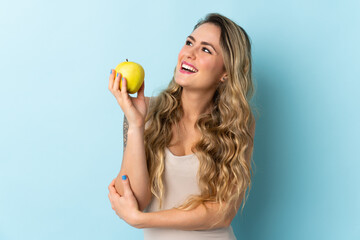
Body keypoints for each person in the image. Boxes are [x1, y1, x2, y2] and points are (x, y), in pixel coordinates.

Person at [107, 12, 256, 240]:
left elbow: (223, 212)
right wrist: (136, 126)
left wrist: (142, 220)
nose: (189, 53)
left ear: (225, 73)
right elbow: (132, 199)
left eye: (206, 49)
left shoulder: (236, 124)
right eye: (189, 42)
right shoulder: (143, 112)